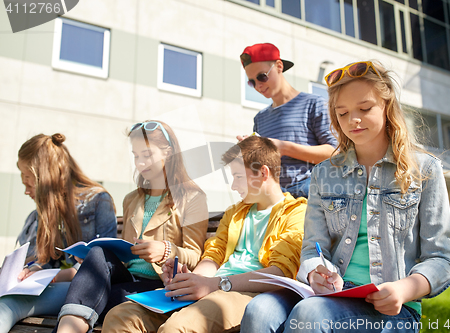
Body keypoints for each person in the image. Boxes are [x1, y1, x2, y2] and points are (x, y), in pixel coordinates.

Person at [240, 61, 450, 333]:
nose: (353, 120)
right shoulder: (323, 174)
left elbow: (441, 259)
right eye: (342, 113)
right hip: (330, 295)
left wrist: (403, 290)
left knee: (310, 314)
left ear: (387, 107)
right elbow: (313, 247)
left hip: (392, 306)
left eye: (365, 109)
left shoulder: (424, 169)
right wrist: (316, 270)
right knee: (258, 310)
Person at [102, 136, 307, 333]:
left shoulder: (296, 212)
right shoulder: (235, 212)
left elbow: (280, 273)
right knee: (120, 316)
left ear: (263, 173)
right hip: (214, 286)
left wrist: (215, 284)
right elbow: (214, 255)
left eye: (237, 177)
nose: (234, 186)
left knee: (177, 328)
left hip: (247, 292)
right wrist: (190, 279)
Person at [53, 121, 208, 333]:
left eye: (147, 155)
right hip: (128, 279)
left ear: (168, 153)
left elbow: (195, 255)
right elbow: (125, 251)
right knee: (98, 253)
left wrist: (165, 251)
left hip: (159, 286)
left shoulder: (192, 198)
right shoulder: (131, 199)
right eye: (136, 156)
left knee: (88, 295)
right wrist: (88, 257)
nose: (140, 163)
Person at [0, 133, 117, 333]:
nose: (26, 191)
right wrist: (34, 269)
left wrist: (54, 276)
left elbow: (102, 267)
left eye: (28, 182)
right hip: (48, 286)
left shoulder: (98, 201)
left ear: (45, 178)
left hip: (84, 292)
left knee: (9, 303)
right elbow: (39, 258)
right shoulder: (41, 213)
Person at [238, 43, 338, 198]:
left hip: (309, 194)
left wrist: (284, 148)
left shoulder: (314, 104)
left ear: (279, 66)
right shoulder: (260, 118)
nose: (258, 86)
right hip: (275, 198)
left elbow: (336, 154)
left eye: (262, 76)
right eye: (251, 82)